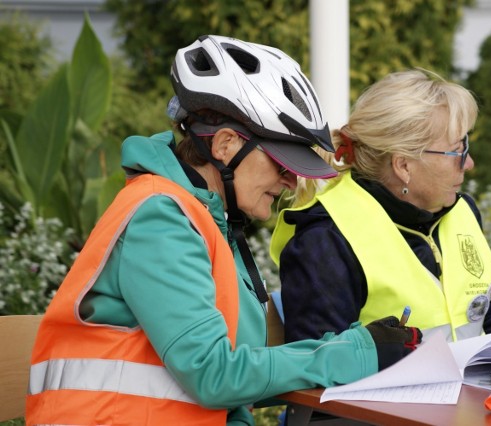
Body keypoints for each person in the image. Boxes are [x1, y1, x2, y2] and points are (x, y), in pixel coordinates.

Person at [26, 35, 422, 426]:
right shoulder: (160, 218)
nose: (289, 181)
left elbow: (240, 374)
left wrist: (351, 349)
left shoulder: (208, 220)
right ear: (227, 145)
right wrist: (352, 354)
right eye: (282, 163)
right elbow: (213, 376)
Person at [270, 68, 491, 344]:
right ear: (404, 166)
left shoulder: (461, 210)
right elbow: (317, 369)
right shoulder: (325, 240)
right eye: (457, 150)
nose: (469, 164)